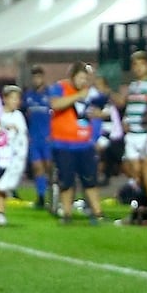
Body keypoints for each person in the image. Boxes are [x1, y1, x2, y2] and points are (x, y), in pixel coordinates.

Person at [48, 62, 104, 224]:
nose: (82, 81)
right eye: (80, 78)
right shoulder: (60, 87)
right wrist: (78, 96)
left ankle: (97, 213)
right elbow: (55, 104)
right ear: (72, 76)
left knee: (90, 179)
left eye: (85, 78)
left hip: (84, 143)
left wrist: (98, 116)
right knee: (66, 180)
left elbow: (95, 112)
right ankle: (66, 213)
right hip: (63, 143)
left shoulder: (90, 93)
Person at [122, 51, 147, 192]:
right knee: (133, 168)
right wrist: (125, 119)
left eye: (141, 64)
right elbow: (129, 106)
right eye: (135, 65)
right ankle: (140, 198)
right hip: (132, 133)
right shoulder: (132, 86)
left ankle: (146, 200)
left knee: (146, 168)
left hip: (146, 133)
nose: (138, 68)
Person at [0, 87, 29, 226]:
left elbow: (22, 138)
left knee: (1, 186)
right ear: (5, 99)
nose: (16, 101)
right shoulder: (0, 115)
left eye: (18, 99)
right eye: (13, 98)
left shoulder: (18, 116)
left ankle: (1, 212)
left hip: (7, 157)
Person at [23, 65, 52, 209]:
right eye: (34, 77)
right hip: (34, 138)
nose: (36, 80)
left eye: (38, 77)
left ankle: (53, 196)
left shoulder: (50, 94)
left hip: (48, 138)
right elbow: (24, 114)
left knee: (49, 168)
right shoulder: (28, 95)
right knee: (37, 168)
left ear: (43, 78)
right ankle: (41, 197)